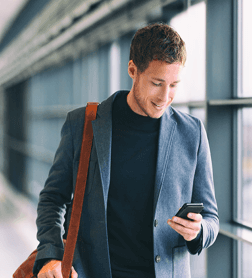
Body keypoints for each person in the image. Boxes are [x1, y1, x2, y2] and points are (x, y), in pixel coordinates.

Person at [33, 23, 219, 278]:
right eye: (157, 83)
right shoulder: (84, 125)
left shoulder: (192, 133)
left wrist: (198, 231)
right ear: (133, 70)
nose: (165, 96)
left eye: (174, 85)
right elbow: (53, 199)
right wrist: (51, 255)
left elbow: (211, 218)